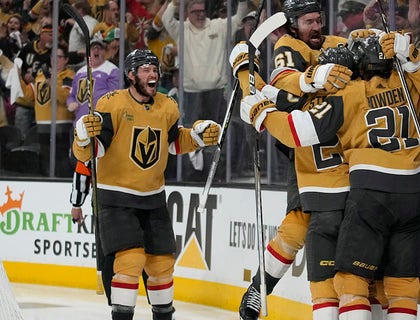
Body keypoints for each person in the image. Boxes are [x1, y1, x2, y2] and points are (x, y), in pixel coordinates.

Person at [241, 33, 420, 320]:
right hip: (410, 189)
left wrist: (248, 84)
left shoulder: (333, 96)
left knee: (338, 285)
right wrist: (409, 54)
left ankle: (258, 287)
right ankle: (258, 288)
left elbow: (281, 108)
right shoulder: (406, 82)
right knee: (398, 287)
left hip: (348, 198)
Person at [71, 49, 221, 320]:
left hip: (153, 198)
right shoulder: (111, 103)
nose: (153, 74)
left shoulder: (167, 105)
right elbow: (95, 151)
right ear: (130, 75)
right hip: (116, 199)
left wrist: (198, 137)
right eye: (145, 70)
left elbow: (174, 143)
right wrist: (82, 138)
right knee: (129, 261)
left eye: (154, 69)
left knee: (162, 265)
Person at [233, 0, 353, 318]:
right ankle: (259, 289)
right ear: (293, 26)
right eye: (308, 22)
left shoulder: (339, 43)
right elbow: (285, 83)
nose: (315, 27)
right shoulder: (288, 44)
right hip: (306, 146)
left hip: (348, 152)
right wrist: (312, 78)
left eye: (318, 20)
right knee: (298, 225)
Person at [161, 0, 248, 182]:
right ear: (187, 14)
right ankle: (188, 176)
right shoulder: (181, 29)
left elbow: (239, 17)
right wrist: (175, 3)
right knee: (189, 134)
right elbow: (166, 18)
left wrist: (242, 2)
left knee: (217, 134)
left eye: (202, 11)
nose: (200, 14)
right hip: (190, 92)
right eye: (195, 11)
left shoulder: (219, 25)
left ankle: (218, 176)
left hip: (216, 91)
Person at [25, 43, 75, 177]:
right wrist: (17, 76)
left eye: (59, 56)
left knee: (61, 164)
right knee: (45, 163)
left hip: (62, 126)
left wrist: (51, 82)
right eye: (53, 56)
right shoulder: (41, 75)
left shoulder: (69, 77)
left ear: (66, 59)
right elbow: (30, 96)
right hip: (43, 126)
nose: (55, 59)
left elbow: (66, 98)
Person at [67, 34, 118, 133]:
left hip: (100, 125)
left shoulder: (112, 70)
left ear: (105, 52)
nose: (96, 51)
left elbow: (115, 97)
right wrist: (70, 103)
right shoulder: (80, 72)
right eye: (93, 48)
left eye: (99, 48)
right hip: (79, 124)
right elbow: (71, 95)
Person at [66, 0, 99, 67]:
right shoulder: (79, 22)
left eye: (72, 10)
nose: (71, 14)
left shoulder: (90, 21)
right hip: (74, 59)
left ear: (80, 10)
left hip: (82, 61)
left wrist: (76, 23)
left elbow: (88, 34)